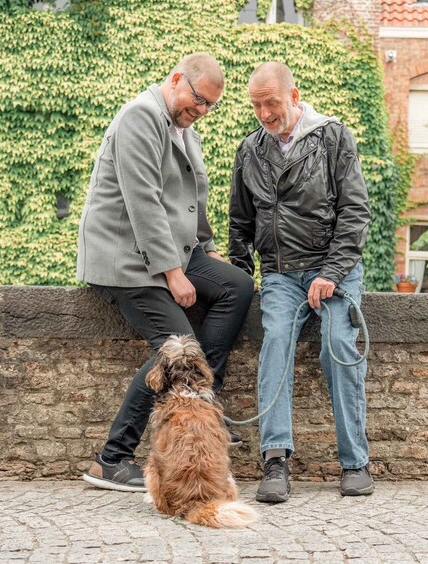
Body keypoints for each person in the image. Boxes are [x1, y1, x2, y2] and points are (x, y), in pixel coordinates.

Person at [76, 53, 255, 493]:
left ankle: (201, 400)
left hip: (171, 250)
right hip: (126, 260)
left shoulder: (182, 126)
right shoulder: (140, 117)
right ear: (177, 80)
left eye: (210, 106)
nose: (201, 112)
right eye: (198, 101)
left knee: (238, 285)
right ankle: (112, 459)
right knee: (178, 348)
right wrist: (174, 273)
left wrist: (208, 248)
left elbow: (192, 196)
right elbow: (144, 202)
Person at [229, 61, 373, 502]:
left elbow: (355, 211)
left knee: (338, 344)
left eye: (270, 103)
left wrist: (330, 271)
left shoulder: (333, 137)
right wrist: (238, 280)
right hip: (281, 274)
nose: (264, 114)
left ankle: (355, 462)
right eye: (256, 106)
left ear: (293, 96)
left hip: (335, 268)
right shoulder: (250, 150)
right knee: (275, 340)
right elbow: (240, 223)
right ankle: (274, 460)